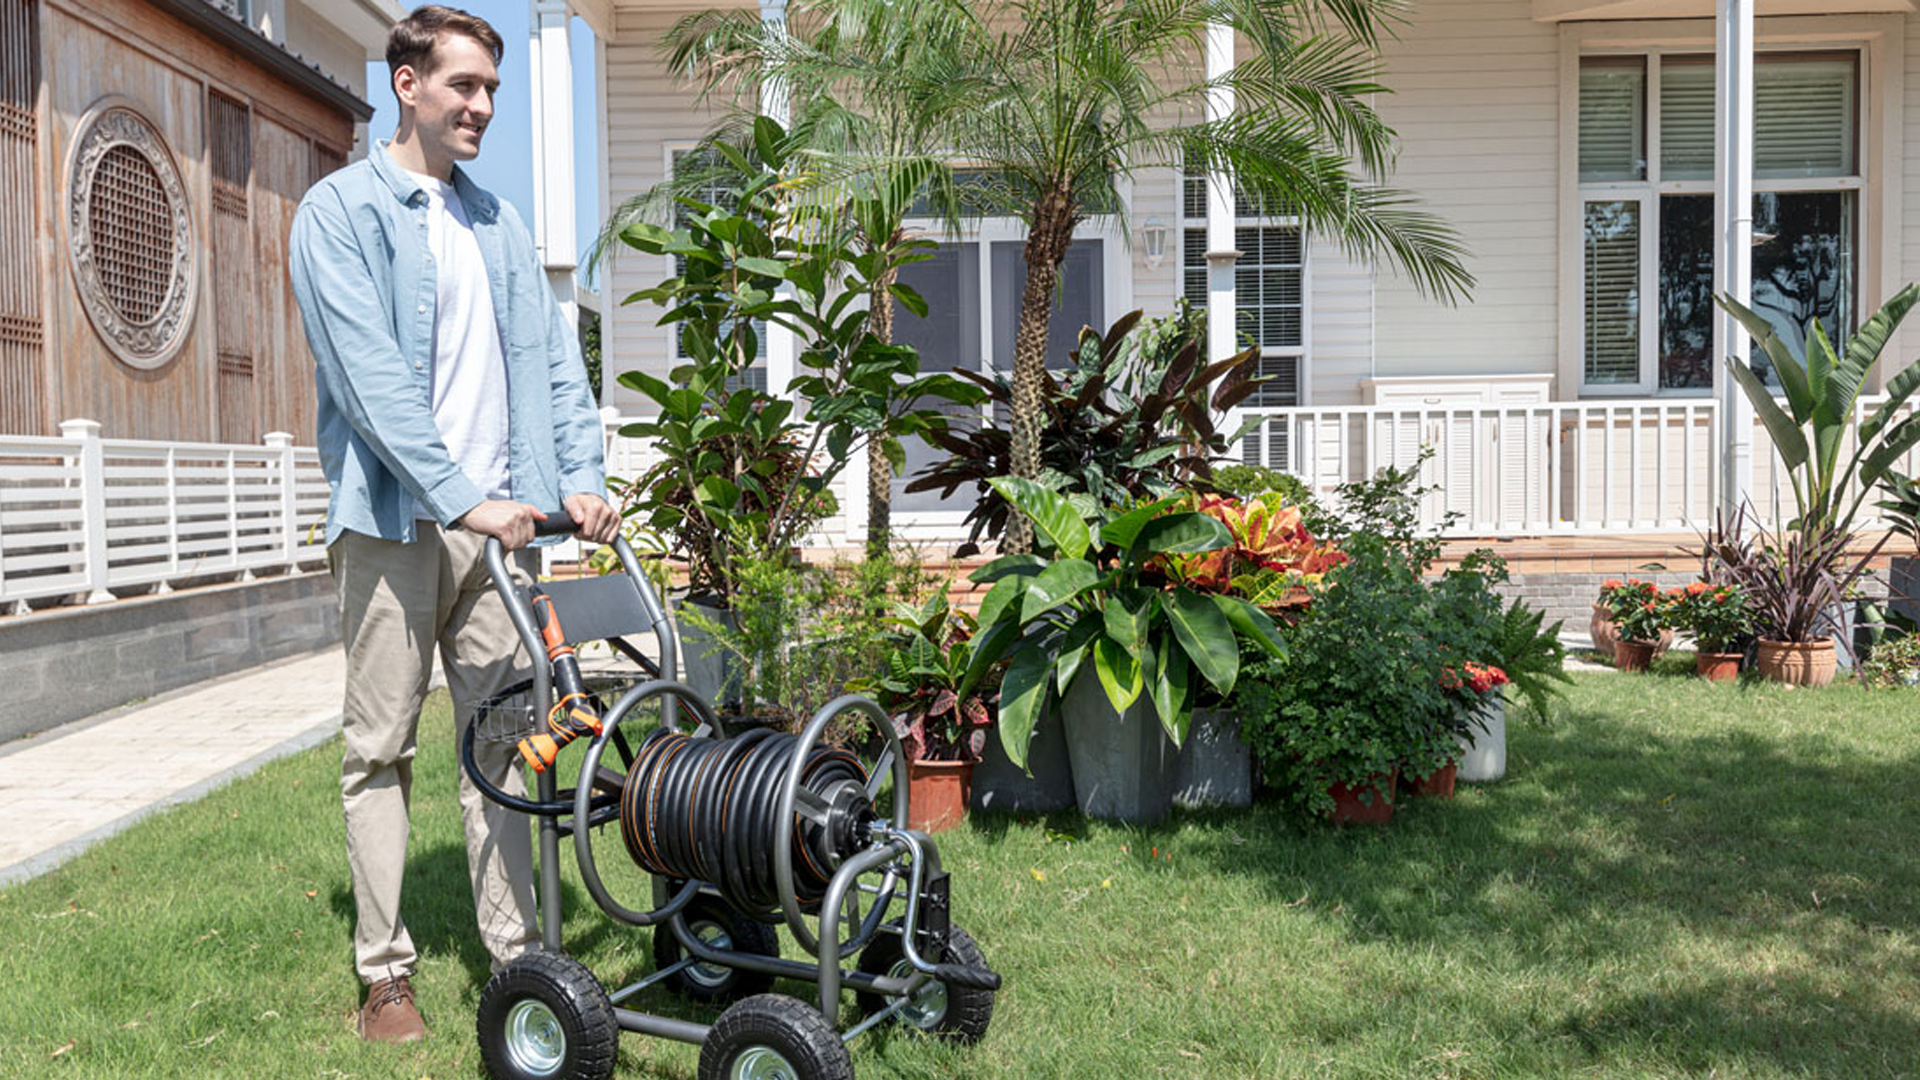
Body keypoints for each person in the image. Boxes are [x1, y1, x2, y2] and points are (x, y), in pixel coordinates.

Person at [288, 4, 618, 1044]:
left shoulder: (501, 224)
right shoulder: (337, 215)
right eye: (464, 86)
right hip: (395, 524)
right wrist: (458, 494)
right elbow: (371, 383)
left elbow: (556, 368)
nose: (481, 106)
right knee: (382, 747)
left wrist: (582, 478)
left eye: (491, 91)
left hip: (502, 527)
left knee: (507, 740)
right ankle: (385, 973)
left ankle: (519, 959)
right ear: (407, 85)